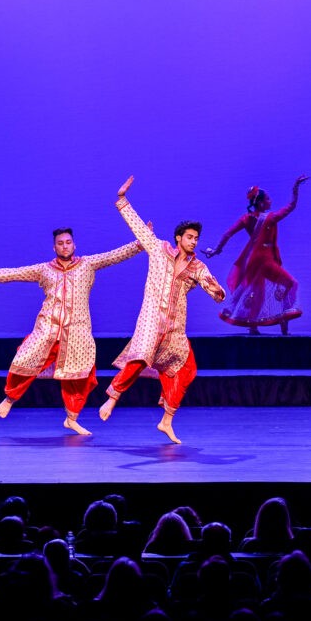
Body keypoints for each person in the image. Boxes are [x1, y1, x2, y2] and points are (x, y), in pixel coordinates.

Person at [0, 226, 143, 434]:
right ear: (54, 247)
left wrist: (139, 244)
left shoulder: (87, 265)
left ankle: (71, 418)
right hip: (48, 328)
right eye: (60, 243)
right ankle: (10, 398)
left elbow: (114, 256)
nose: (65, 246)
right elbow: (15, 273)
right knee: (24, 360)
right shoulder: (45, 269)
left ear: (74, 244)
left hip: (77, 332)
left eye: (68, 242)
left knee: (79, 378)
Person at [98, 176, 226, 444]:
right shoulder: (158, 250)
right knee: (139, 359)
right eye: (190, 237)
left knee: (186, 369)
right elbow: (138, 229)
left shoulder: (197, 267)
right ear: (179, 238)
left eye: (196, 238)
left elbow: (212, 288)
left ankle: (167, 420)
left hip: (175, 329)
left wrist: (219, 293)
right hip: (151, 321)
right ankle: (111, 400)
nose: (193, 241)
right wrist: (122, 200)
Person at [203, 175, 309, 335]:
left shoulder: (247, 218)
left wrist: (216, 250)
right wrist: (296, 188)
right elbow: (290, 206)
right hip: (265, 260)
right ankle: (284, 318)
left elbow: (227, 234)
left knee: (258, 294)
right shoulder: (270, 217)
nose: (271, 201)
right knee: (290, 283)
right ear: (260, 203)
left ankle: (254, 326)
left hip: (253, 261)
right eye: (268, 199)